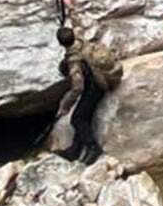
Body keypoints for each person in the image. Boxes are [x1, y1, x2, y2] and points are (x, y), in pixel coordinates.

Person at [50, 18, 123, 165]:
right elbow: (77, 23)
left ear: (61, 44)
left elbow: (78, 88)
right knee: (83, 115)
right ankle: (75, 149)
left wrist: (65, 106)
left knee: (77, 119)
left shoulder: (74, 61)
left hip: (96, 87)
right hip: (98, 77)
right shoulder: (80, 39)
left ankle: (93, 148)